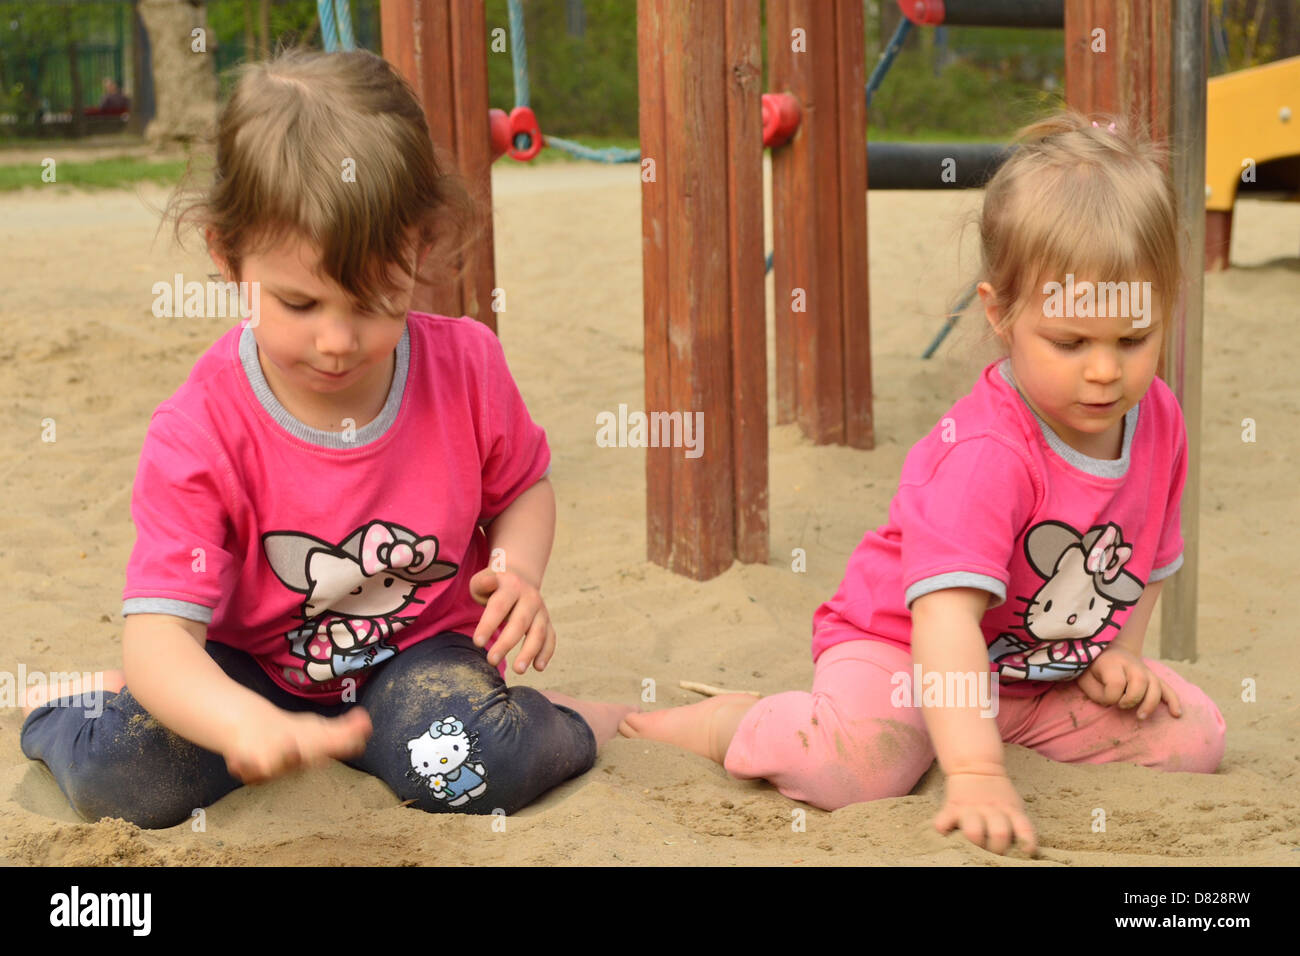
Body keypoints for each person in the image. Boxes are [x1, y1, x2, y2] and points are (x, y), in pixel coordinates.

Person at [20, 47, 633, 829]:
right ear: (227, 255)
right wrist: (243, 722)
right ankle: (64, 716)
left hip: (416, 658)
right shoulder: (198, 430)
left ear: (421, 245)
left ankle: (566, 719)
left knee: (478, 768)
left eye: (374, 299)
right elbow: (159, 640)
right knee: (127, 781)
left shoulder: (468, 367)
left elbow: (522, 489)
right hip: (250, 671)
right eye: (301, 304)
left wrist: (517, 572)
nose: (338, 340)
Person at [621, 110, 1226, 857]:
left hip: (1030, 677)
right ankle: (732, 723)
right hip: (905, 654)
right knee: (848, 769)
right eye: (1070, 342)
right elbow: (944, 621)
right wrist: (973, 771)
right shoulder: (986, 452)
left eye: (1133, 339)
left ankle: (965, 734)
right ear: (1000, 314)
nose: (1105, 371)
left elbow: (1150, 558)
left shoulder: (1158, 417)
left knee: (1193, 737)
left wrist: (1118, 654)